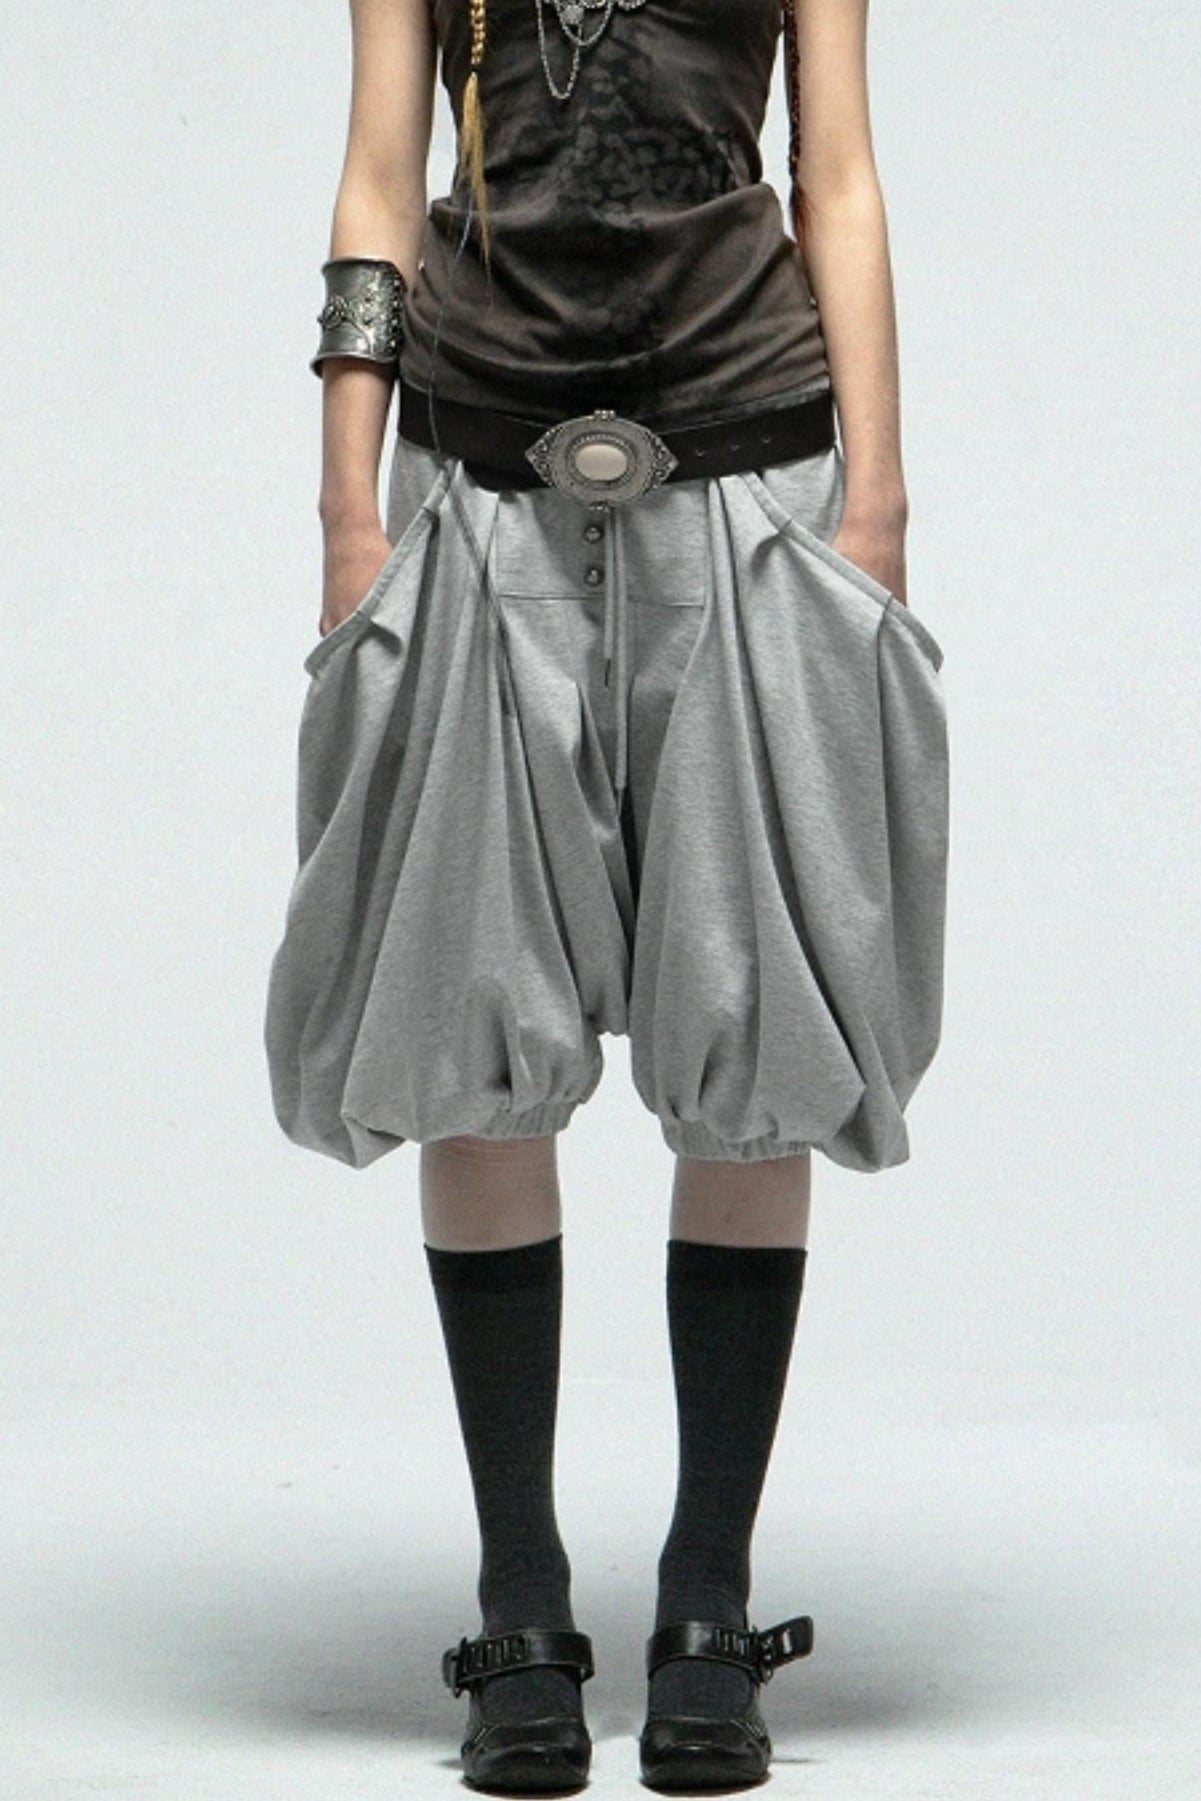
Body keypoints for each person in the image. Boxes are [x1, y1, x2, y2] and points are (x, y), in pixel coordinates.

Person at [263, 0, 950, 1789]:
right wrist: (347, 504)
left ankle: (708, 1594)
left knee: (753, 1018)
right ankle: (522, 1599)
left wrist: (876, 498)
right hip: (475, 479)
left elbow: (835, 172)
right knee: (476, 1012)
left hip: (750, 469)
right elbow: (379, 175)